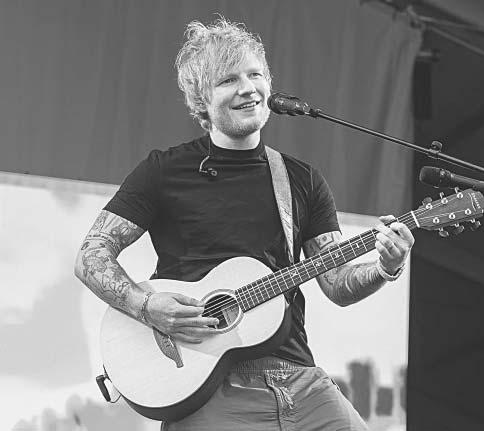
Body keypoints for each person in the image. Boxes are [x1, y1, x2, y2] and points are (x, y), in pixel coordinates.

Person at [74, 17, 414, 431]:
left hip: (300, 380)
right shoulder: (164, 170)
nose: (248, 88)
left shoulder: (302, 179)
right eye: (228, 80)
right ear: (201, 100)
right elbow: (91, 255)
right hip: (211, 387)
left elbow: (337, 283)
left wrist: (386, 267)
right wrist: (146, 307)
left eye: (255, 75)